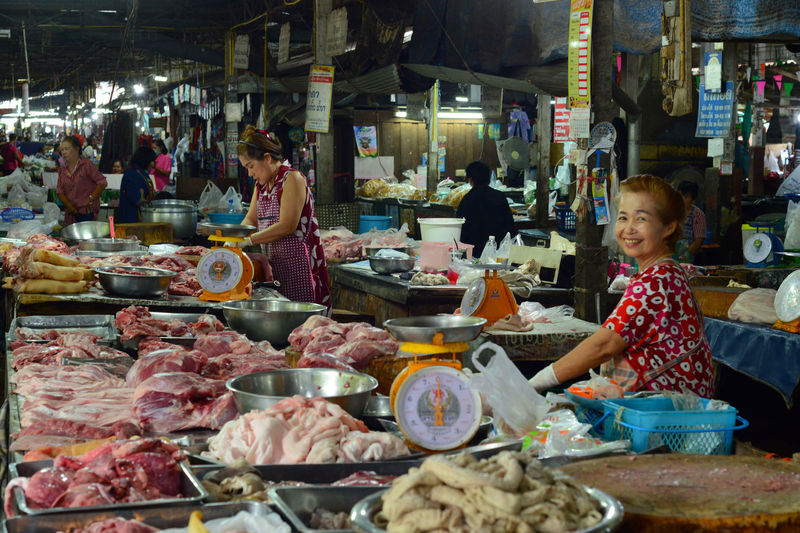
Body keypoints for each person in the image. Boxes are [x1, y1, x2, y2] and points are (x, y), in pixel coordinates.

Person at [529, 174, 714, 397]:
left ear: (668, 227)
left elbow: (604, 345)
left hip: (663, 416)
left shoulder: (655, 282)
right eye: (623, 218)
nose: (628, 229)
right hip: (672, 408)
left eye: (641, 219)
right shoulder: (670, 271)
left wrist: (535, 383)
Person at [237, 125, 330, 310]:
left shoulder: (292, 179)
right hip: (277, 269)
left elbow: (287, 225)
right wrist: (233, 239)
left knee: (306, 327)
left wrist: (248, 240)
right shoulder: (261, 186)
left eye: (251, 166)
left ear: (267, 158)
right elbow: (251, 220)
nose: (250, 173)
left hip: (301, 270)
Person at [456, 160, 517, 256]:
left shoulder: (467, 199)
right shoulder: (499, 196)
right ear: (488, 178)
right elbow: (511, 229)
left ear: (471, 180)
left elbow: (461, 231)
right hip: (499, 254)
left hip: (473, 254)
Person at [56, 135, 107, 225]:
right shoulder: (62, 169)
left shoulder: (87, 166)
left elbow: (102, 182)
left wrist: (91, 199)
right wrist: (69, 206)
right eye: (62, 150)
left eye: (67, 149)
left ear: (77, 148)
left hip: (87, 213)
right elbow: (60, 191)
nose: (64, 152)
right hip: (71, 214)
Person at [118, 147, 156, 223]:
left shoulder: (141, 173)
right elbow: (136, 199)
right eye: (152, 161)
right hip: (132, 219)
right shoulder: (132, 174)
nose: (153, 164)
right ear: (146, 160)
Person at [676, 180, 707, 263]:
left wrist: (684, 257)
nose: (681, 199)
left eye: (685, 196)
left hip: (688, 260)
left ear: (693, 199)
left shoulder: (697, 214)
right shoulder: (673, 211)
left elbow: (698, 241)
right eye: (680, 195)